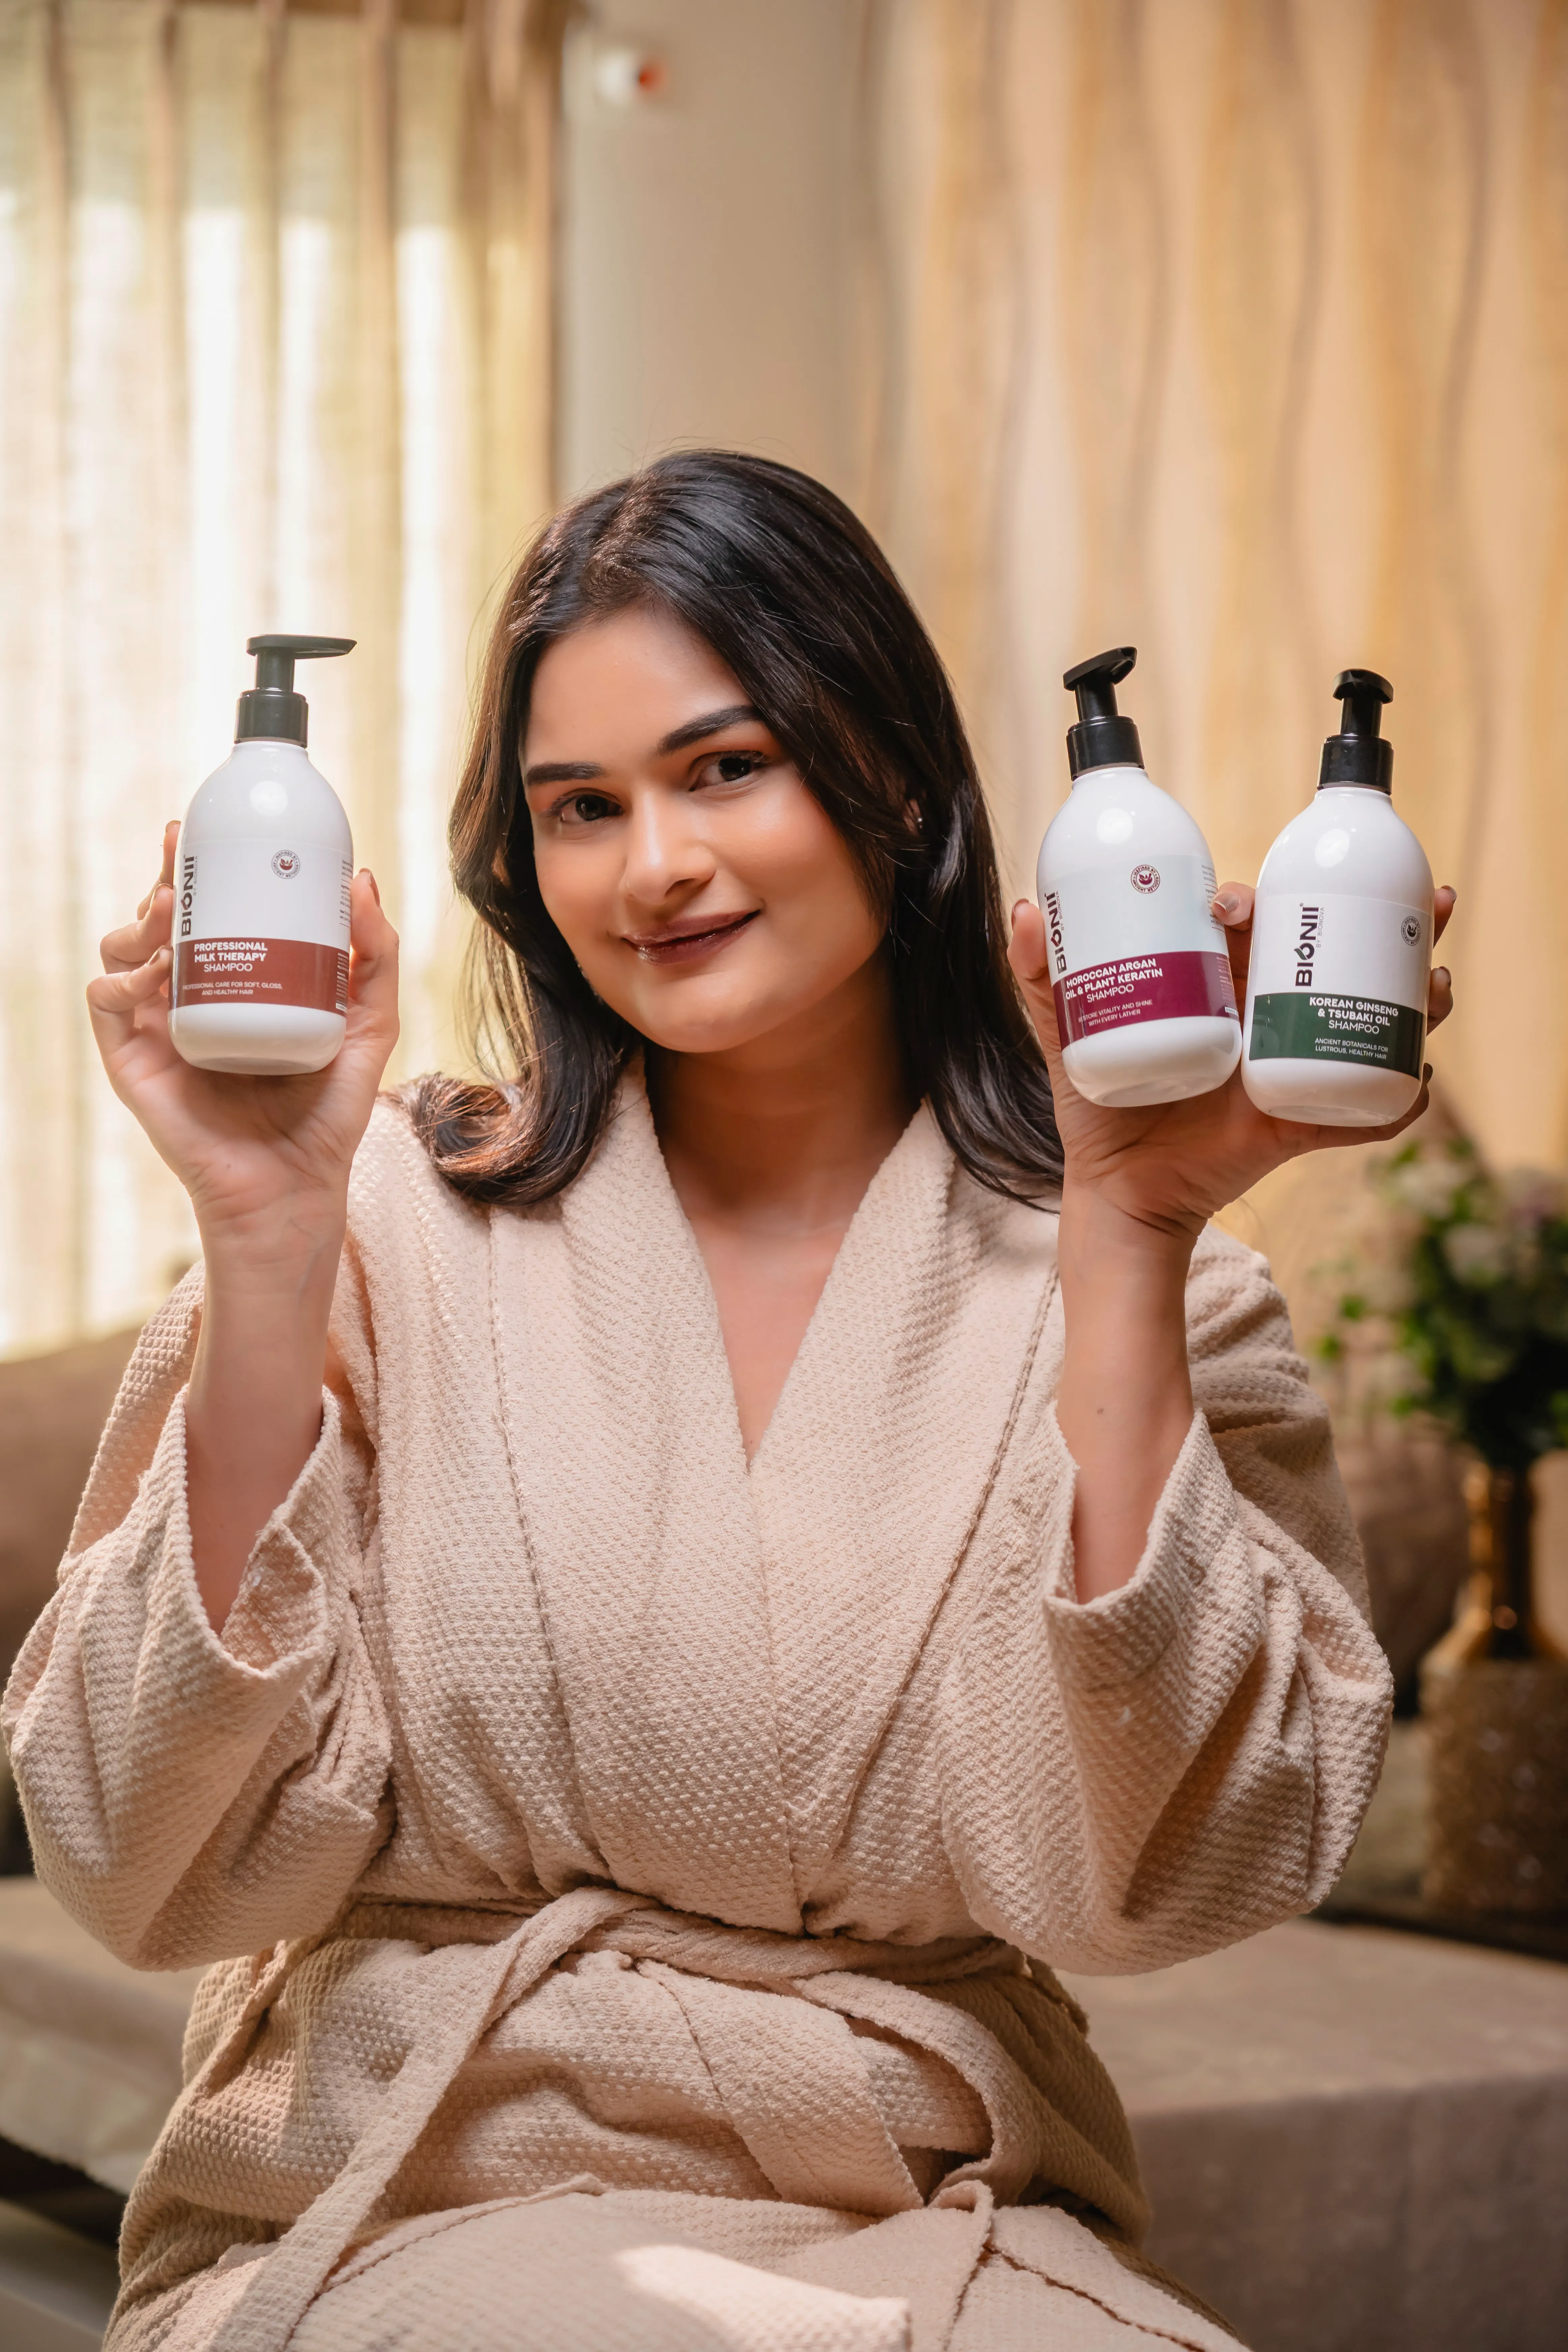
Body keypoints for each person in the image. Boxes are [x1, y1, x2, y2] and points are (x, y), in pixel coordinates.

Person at [5, 453, 1454, 2352]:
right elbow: (137, 1846)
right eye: (581, 808)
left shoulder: (1169, 1284)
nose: (655, 866)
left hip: (921, 2199)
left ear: (895, 777)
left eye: (725, 768)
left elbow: (1184, 1862)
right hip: (432, 2185)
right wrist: (265, 1235)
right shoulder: (382, 1225)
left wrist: (1130, 1226)